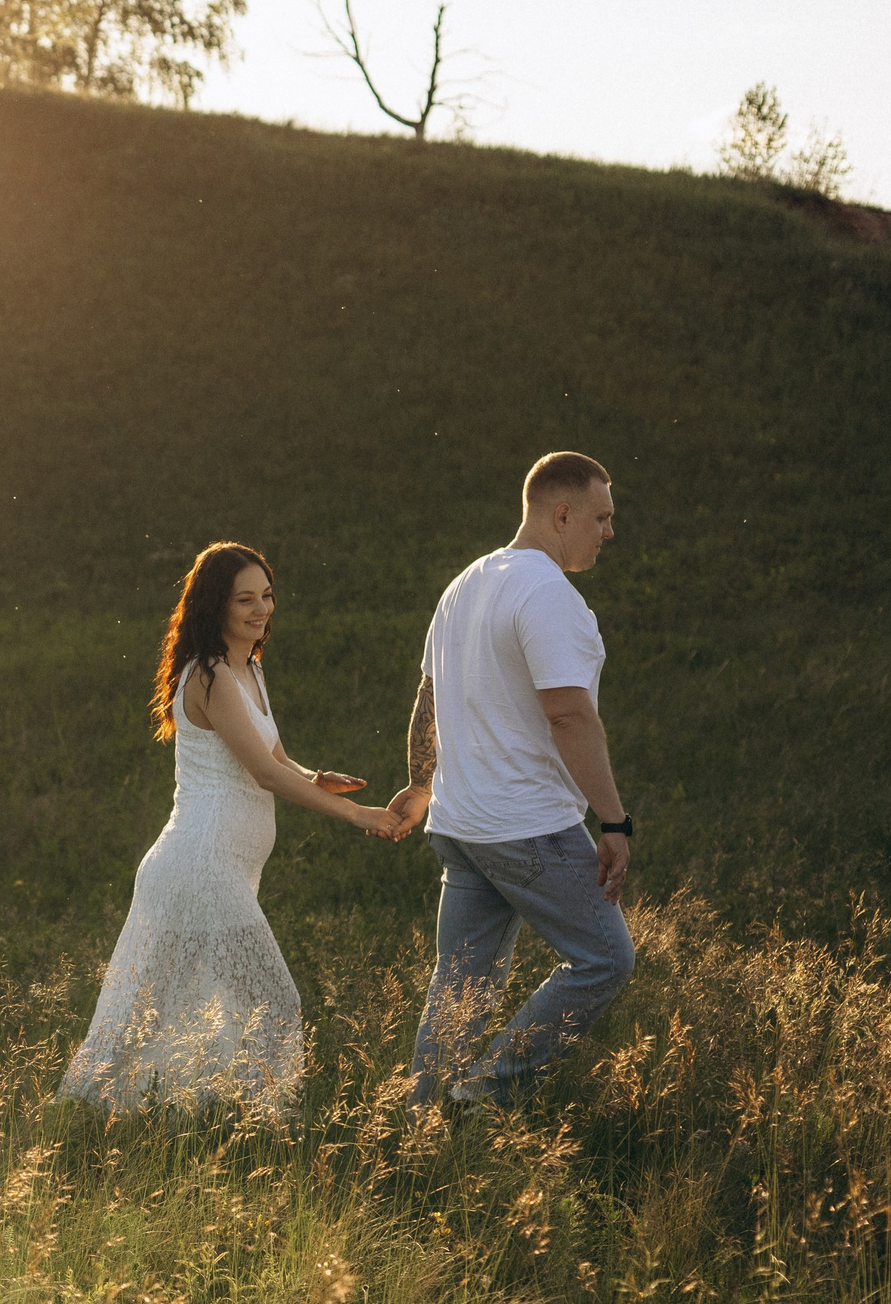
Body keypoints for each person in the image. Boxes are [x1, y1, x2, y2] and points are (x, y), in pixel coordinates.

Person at [60, 542, 407, 1119]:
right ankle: (258, 1128)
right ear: (214, 606)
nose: (260, 608)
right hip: (200, 866)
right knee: (271, 1000)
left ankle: (119, 1122)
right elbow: (262, 771)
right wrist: (360, 817)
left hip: (218, 869)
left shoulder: (249, 668)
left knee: (154, 1014)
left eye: (266, 595)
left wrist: (317, 778)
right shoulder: (212, 674)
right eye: (244, 599)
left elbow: (275, 754)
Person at [384, 452, 635, 1111]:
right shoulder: (549, 594)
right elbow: (569, 714)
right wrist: (613, 821)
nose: (608, 531)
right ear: (561, 513)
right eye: (601, 517)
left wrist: (420, 786)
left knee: (459, 986)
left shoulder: (464, 584)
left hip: (461, 828)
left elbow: (427, 701)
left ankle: (423, 1129)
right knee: (606, 958)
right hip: (526, 829)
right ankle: (482, 1095)